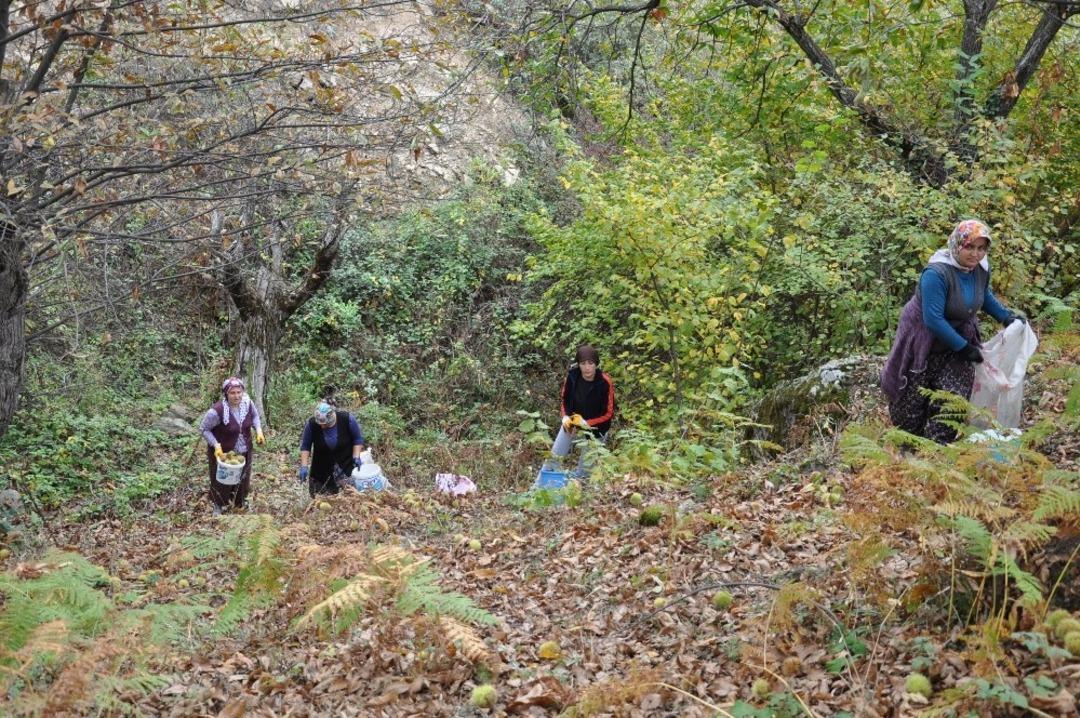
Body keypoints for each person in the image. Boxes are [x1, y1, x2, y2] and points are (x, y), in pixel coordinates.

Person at [881, 219, 1024, 443]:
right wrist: (965, 348)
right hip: (923, 340)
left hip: (959, 338)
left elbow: (983, 295)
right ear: (957, 244)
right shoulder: (936, 274)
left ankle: (937, 448)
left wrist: (1006, 317)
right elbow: (933, 319)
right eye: (969, 247)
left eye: (981, 248)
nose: (975, 254)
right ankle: (909, 446)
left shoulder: (979, 269)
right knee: (910, 403)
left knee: (952, 400)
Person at [547, 344, 616, 479]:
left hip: (596, 429)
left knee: (584, 474)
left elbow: (608, 413)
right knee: (553, 459)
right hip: (573, 422)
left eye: (590, 363)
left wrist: (587, 423)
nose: (587, 367)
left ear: (596, 364)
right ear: (578, 364)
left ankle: (578, 485)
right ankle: (542, 484)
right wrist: (565, 417)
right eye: (583, 363)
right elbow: (565, 400)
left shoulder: (605, 382)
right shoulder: (572, 377)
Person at [201, 377, 264, 514]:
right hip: (224, 453)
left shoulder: (247, 403)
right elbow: (204, 429)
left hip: (244, 449)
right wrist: (215, 445)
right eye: (232, 393)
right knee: (222, 479)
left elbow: (255, 416)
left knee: (243, 477)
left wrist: (258, 431)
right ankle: (219, 505)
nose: (237, 396)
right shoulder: (217, 410)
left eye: (239, 392)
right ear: (226, 394)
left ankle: (239, 502)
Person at [298, 399, 366, 496]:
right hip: (321, 470)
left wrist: (356, 456)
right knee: (322, 500)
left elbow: (357, 439)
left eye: (324, 424)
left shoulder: (346, 419)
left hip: (345, 467)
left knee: (348, 497)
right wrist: (304, 466)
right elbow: (305, 446)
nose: (322, 426)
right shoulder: (312, 424)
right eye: (320, 424)